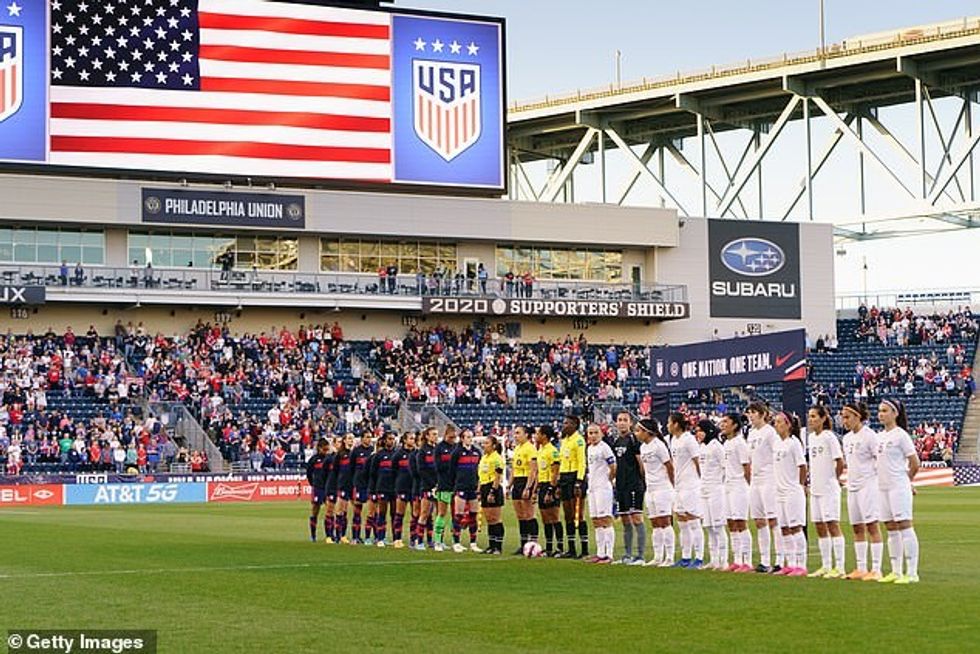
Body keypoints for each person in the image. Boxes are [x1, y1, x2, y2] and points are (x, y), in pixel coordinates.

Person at [876, 399, 921, 584]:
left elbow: (914, 462)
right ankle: (895, 570)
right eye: (879, 411)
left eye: (885, 410)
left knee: (905, 525)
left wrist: (906, 481)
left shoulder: (901, 435)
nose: (881, 414)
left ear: (895, 413)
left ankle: (911, 572)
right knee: (890, 528)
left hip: (897, 486)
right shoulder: (879, 437)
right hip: (883, 487)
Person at [841, 402, 884, 580]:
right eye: (843, 417)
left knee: (872, 526)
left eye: (847, 417)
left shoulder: (870, 436)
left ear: (858, 416)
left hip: (868, 485)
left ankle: (876, 568)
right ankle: (860, 567)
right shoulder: (846, 439)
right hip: (853, 486)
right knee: (857, 527)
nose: (844, 421)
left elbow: (880, 459)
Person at [806, 405, 846, 578]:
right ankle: (826, 565)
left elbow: (840, 461)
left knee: (832, 525)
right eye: (810, 416)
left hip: (828, 487)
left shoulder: (829, 437)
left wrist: (834, 479)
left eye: (814, 416)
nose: (811, 419)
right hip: (815, 488)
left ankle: (840, 566)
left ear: (823, 418)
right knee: (819, 526)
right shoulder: (811, 438)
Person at [772, 412, 808, 576]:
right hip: (779, 491)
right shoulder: (777, 444)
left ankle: (801, 564)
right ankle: (790, 563)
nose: (776, 425)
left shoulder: (794, 444)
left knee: (795, 528)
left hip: (792, 490)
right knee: (784, 528)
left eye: (779, 422)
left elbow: (802, 466)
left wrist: (800, 485)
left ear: (788, 424)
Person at [746, 402, 780, 573]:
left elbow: (776, 455)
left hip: (769, 478)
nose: (750, 416)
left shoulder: (770, 432)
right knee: (759, 521)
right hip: (755, 479)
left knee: (773, 519)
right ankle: (764, 560)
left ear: (762, 414)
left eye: (753, 412)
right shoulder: (751, 434)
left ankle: (780, 559)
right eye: (749, 413)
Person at [636, 418, 675, 567]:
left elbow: (669, 466)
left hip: (662, 488)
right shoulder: (643, 448)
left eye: (639, 431)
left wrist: (672, 485)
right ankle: (658, 556)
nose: (637, 434)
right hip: (650, 489)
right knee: (655, 523)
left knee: (665, 521)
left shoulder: (659, 446)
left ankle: (669, 556)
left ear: (647, 432)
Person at [668, 412, 704, 569]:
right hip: (679, 485)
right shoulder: (673, 440)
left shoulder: (689, 439)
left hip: (690, 485)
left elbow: (698, 461)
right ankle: (685, 556)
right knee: (682, 521)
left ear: (676, 424)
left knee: (694, 520)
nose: (668, 425)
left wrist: (701, 482)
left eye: (670, 422)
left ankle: (699, 557)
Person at [611, 411, 646, 565]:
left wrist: (643, 482)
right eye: (619, 420)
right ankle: (627, 555)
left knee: (636, 518)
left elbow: (641, 463)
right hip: (621, 485)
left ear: (630, 423)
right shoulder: (617, 441)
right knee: (625, 519)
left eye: (625, 420)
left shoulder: (634, 440)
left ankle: (640, 556)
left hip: (634, 484)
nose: (622, 423)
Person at [721, 413, 753, 572]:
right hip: (728, 485)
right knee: (731, 523)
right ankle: (737, 559)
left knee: (741, 522)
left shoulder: (740, 443)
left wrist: (748, 485)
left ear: (734, 425)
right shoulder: (727, 443)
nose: (722, 424)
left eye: (726, 422)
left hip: (739, 486)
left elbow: (746, 467)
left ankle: (747, 560)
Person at [696, 419, 728, 570]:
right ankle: (714, 559)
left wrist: (720, 484)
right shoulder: (701, 447)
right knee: (708, 526)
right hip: (704, 490)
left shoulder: (717, 447)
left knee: (718, 526)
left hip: (716, 490)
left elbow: (725, 468)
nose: (698, 433)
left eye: (700, 430)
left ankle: (724, 560)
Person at [557, 415, 588, 559]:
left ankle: (584, 549)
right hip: (564, 477)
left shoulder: (579, 440)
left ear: (575, 425)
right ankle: (571, 549)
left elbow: (582, 462)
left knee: (578, 514)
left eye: (567, 423)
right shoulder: (564, 441)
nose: (564, 425)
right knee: (568, 515)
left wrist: (579, 481)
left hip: (574, 477)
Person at [585, 423, 617, 564]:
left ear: (601, 434)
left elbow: (613, 465)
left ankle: (609, 554)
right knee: (596, 520)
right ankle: (600, 552)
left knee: (605, 519)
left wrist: (609, 479)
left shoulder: (605, 448)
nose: (592, 435)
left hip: (602, 488)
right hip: (592, 488)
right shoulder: (590, 449)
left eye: (595, 432)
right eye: (590, 433)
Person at [450, 429, 482, 553]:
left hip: (473, 488)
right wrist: (456, 485)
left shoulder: (476, 452)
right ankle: (456, 542)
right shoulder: (457, 452)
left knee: (473, 515)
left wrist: (478, 485)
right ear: (462, 438)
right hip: (461, 487)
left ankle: (473, 542)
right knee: (458, 515)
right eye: (467, 437)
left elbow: (479, 470)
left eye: (471, 437)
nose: (470, 439)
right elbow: (451, 471)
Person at [510, 425, 539, 554]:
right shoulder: (517, 449)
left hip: (525, 481)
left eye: (518, 433)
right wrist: (509, 485)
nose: (515, 436)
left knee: (529, 514)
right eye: (515, 433)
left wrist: (528, 487)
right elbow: (513, 469)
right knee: (520, 515)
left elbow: (533, 470)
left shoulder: (531, 449)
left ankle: (533, 544)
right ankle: (523, 544)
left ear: (526, 434)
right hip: (517, 481)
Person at [536, 425, 563, 556]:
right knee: (545, 518)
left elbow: (555, 472)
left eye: (538, 434)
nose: (536, 436)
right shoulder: (541, 450)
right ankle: (548, 548)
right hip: (542, 485)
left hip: (550, 485)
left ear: (544, 436)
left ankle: (560, 548)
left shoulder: (552, 451)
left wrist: (551, 490)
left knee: (554, 517)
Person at [433, 425, 458, 552]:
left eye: (454, 437)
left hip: (456, 485)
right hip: (444, 484)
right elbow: (438, 466)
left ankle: (455, 541)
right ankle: (437, 541)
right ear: (445, 435)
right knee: (442, 513)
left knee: (456, 514)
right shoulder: (439, 448)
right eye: (451, 437)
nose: (453, 439)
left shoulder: (456, 447)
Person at [479, 435, 506, 554]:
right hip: (484, 486)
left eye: (486, 443)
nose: (484, 445)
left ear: (494, 446)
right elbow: (481, 475)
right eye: (484, 443)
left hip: (492, 487)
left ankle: (498, 547)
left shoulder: (497, 458)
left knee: (495, 518)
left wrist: (493, 491)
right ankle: (491, 545)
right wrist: (479, 490)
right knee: (489, 519)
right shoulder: (484, 457)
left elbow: (498, 476)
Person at [369, 433, 397, 547]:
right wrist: (373, 489)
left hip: (395, 488)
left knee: (394, 514)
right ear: (385, 441)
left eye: (393, 439)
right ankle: (380, 537)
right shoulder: (378, 456)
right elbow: (372, 474)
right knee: (382, 513)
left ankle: (396, 538)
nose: (392, 441)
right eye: (390, 439)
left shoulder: (396, 454)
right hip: (382, 488)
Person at [414, 427, 439, 550]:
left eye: (436, 434)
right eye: (433, 434)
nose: (435, 436)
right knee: (424, 513)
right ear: (427, 436)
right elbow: (421, 471)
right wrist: (432, 484)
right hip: (427, 486)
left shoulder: (438, 450)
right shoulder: (422, 452)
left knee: (435, 514)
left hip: (438, 486)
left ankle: (431, 541)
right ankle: (419, 541)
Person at [391, 432, 417, 549]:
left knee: (415, 514)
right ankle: (397, 538)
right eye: (411, 438)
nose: (413, 440)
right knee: (399, 514)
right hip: (402, 487)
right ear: (405, 440)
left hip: (414, 487)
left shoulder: (417, 454)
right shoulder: (398, 454)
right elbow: (393, 471)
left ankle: (413, 539)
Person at [350, 433, 375, 544]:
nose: (369, 439)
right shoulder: (356, 451)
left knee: (372, 511)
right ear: (362, 438)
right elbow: (351, 468)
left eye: (370, 437)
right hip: (359, 484)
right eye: (367, 437)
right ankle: (355, 536)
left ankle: (372, 537)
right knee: (357, 510)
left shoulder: (373, 451)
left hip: (370, 484)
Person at [305, 438, 331, 543]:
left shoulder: (330, 459)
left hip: (328, 488)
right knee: (315, 511)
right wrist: (313, 484)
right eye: (324, 449)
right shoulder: (314, 460)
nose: (326, 451)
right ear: (319, 448)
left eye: (327, 449)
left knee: (329, 511)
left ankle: (329, 535)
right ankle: (313, 535)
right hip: (318, 488)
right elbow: (309, 474)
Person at [332, 434, 355, 544]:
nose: (351, 440)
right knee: (340, 510)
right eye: (349, 438)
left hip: (352, 485)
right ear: (345, 441)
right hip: (342, 485)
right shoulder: (340, 455)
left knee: (347, 511)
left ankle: (344, 535)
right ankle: (338, 535)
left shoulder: (353, 454)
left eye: (352, 439)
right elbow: (335, 471)